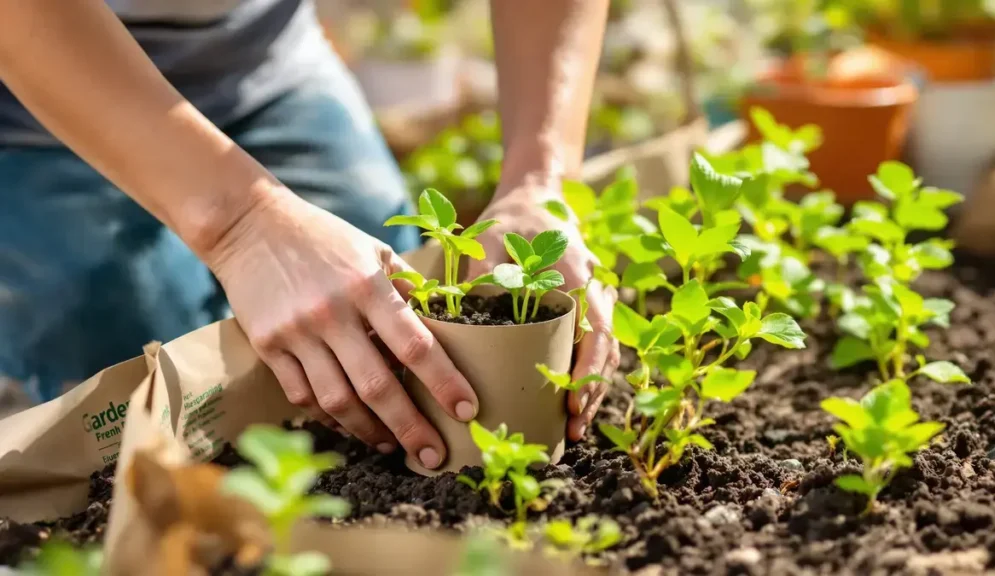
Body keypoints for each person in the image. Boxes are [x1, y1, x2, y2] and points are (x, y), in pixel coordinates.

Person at [0, 0, 619, 471]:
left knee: (386, 306)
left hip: (256, 51)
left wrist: (540, 178)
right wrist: (242, 228)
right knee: (128, 354)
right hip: (28, 88)